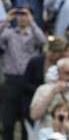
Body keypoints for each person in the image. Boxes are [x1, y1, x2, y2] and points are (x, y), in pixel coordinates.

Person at [0, 7, 46, 140]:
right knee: (8, 121)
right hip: (11, 80)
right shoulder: (9, 33)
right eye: (19, 14)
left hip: (28, 82)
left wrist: (32, 22)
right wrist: (6, 20)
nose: (21, 17)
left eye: (25, 14)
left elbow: (42, 41)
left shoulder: (34, 34)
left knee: (28, 121)